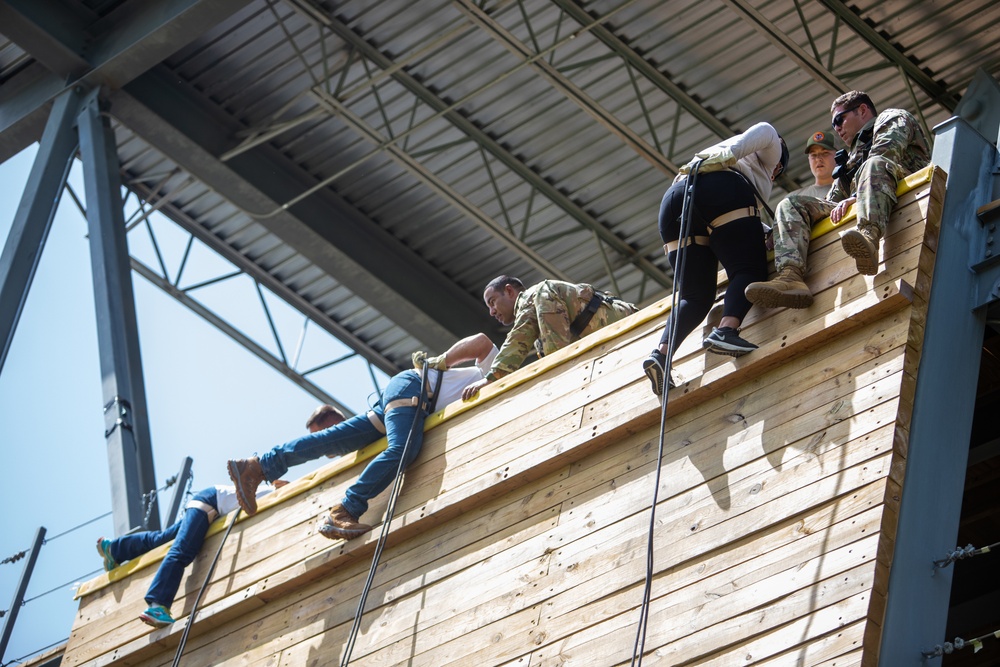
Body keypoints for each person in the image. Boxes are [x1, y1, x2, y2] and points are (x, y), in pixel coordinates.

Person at [227, 333, 499, 541]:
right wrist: (441, 364)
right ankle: (346, 509)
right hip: (415, 388)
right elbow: (482, 341)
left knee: (332, 440)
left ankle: (259, 466)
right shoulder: (498, 369)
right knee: (404, 449)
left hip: (407, 393)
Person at [745, 91, 930, 309]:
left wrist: (854, 199)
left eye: (839, 120)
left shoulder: (891, 117)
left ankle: (869, 237)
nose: (837, 128)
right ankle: (790, 275)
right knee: (790, 203)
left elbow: (887, 155)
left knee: (875, 163)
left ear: (862, 110)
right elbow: (831, 202)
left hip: (906, 192)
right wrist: (778, 231)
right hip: (869, 195)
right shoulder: (852, 157)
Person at [641, 122, 788, 396]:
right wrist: (730, 154)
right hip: (721, 188)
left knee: (695, 296)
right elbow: (767, 130)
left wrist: (765, 231)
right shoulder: (767, 158)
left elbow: (736, 227)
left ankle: (661, 354)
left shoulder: (714, 157)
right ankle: (726, 331)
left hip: (674, 201)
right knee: (748, 267)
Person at [94, 458, 312, 628]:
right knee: (183, 551)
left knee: (162, 539)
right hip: (210, 502)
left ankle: (114, 548)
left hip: (207, 502)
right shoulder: (271, 493)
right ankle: (157, 605)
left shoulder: (265, 491)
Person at [460, 276, 638, 400]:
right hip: (618, 339)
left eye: (492, 302)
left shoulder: (534, 295)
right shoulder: (538, 329)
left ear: (509, 291)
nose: (491, 312)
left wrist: (491, 378)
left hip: (630, 325)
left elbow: (518, 340)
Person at [792, 130, 837, 199]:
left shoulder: (852, 190)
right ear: (809, 160)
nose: (818, 159)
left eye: (825, 153)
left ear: (838, 155)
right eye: (813, 155)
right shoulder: (794, 198)